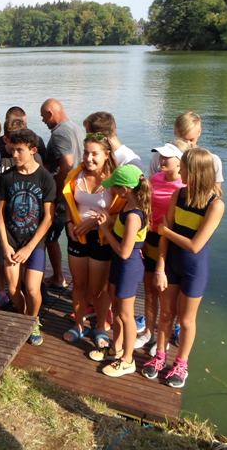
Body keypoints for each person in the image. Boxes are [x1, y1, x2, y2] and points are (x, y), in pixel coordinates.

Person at [142, 148, 225, 388]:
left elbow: (195, 245)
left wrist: (166, 231)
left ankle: (181, 364)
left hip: (194, 269)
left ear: (196, 171)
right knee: (166, 314)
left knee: (187, 321)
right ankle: (160, 356)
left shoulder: (215, 205)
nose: (180, 171)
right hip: (172, 265)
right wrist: (160, 267)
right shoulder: (178, 194)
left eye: (184, 167)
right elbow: (164, 238)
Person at [61, 133, 123, 349]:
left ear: (107, 154)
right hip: (77, 236)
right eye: (86, 153)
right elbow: (69, 203)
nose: (88, 158)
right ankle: (79, 325)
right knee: (78, 284)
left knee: (98, 289)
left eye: (94, 154)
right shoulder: (74, 176)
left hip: (102, 239)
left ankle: (100, 327)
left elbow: (123, 214)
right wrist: (69, 223)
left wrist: (96, 222)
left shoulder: (115, 180)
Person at [0, 129, 55, 346]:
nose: (15, 155)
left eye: (20, 150)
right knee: (13, 289)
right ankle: (23, 318)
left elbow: (48, 218)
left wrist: (30, 247)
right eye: (13, 150)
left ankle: (33, 321)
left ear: (33, 150)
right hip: (12, 240)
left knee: (31, 288)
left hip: (34, 242)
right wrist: (5, 244)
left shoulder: (46, 178)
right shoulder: (6, 178)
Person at [91, 165, 151, 377]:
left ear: (125, 189)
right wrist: (109, 222)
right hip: (118, 264)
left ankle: (128, 359)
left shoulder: (134, 215)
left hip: (128, 266)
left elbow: (125, 252)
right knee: (116, 309)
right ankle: (115, 349)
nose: (112, 190)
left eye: (114, 187)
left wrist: (105, 229)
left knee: (126, 315)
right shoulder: (127, 206)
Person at [135, 141, 188, 352]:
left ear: (179, 162)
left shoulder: (183, 187)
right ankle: (148, 332)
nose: (162, 160)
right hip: (151, 238)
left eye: (167, 157)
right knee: (149, 291)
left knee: (166, 295)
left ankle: (162, 339)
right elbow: (145, 206)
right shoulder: (155, 178)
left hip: (171, 242)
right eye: (160, 156)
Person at [40, 98, 85, 290]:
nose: (43, 120)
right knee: (76, 237)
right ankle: (80, 282)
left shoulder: (59, 133)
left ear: (50, 113)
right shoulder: (76, 127)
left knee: (50, 236)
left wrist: (57, 194)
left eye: (43, 117)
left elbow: (67, 163)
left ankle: (59, 277)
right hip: (79, 192)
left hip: (65, 196)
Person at [148, 112, 224, 192]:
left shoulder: (211, 160)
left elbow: (217, 192)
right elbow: (150, 187)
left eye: (191, 140)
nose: (187, 144)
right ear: (175, 131)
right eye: (182, 139)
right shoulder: (160, 156)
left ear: (199, 132)